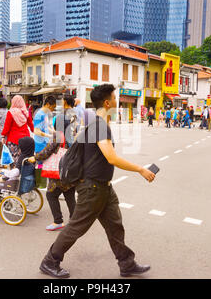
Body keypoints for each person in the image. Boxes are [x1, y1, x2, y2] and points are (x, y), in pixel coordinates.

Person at [39, 84, 155, 279]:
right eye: (115, 99)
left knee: (115, 226)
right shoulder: (99, 126)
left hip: (103, 187)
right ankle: (50, 261)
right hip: (92, 188)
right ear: (108, 102)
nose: (117, 102)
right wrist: (140, 169)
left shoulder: (94, 125)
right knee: (76, 227)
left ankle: (126, 263)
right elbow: (112, 158)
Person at [29, 131, 76, 231]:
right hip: (70, 170)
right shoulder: (71, 133)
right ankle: (75, 221)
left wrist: (36, 157)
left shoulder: (58, 135)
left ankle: (58, 221)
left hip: (59, 172)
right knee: (69, 194)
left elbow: (48, 150)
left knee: (51, 195)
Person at [1, 95, 34, 166]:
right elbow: (31, 125)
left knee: (14, 159)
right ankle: (23, 172)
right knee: (24, 158)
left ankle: (14, 173)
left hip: (13, 139)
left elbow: (7, 127)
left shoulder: (10, 112)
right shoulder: (25, 112)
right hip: (25, 139)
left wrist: (3, 136)